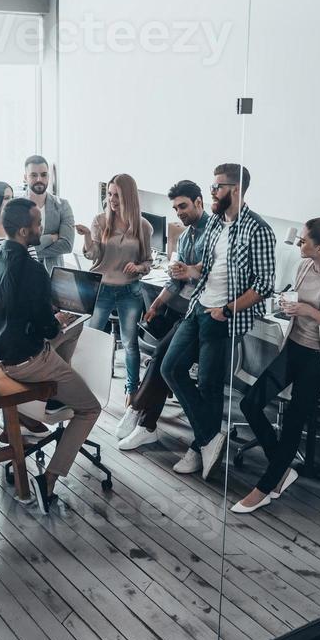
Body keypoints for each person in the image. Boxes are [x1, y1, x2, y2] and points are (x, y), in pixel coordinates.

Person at [0, 198, 101, 514]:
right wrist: (55, 319)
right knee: (90, 408)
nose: (41, 228)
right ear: (23, 231)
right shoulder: (33, 272)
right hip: (30, 362)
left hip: (0, 355)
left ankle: (61, 385)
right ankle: (49, 479)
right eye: (36, 224)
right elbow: (47, 330)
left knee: (73, 327)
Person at [231, 214, 320, 515]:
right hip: (293, 349)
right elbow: (297, 305)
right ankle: (282, 469)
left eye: (304, 240)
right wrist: (290, 309)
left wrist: (309, 312)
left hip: (316, 360)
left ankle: (264, 489)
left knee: (292, 426)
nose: (299, 243)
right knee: (250, 404)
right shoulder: (303, 266)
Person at [161, 164, 276, 480]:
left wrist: (227, 309)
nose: (211, 192)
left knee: (209, 385)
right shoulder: (214, 225)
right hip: (199, 307)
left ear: (235, 190)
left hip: (224, 317)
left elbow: (264, 284)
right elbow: (208, 267)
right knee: (169, 368)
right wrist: (190, 271)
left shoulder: (258, 230)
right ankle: (210, 437)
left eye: (216, 187)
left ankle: (199, 447)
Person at [116, 180, 209, 451]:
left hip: (196, 315)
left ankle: (138, 413)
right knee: (160, 361)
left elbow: (211, 274)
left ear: (199, 202)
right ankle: (146, 424)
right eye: (175, 207)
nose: (178, 212)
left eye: (183, 206)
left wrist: (189, 270)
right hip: (178, 310)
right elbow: (175, 280)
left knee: (161, 358)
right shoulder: (187, 235)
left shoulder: (211, 234)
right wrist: (156, 303)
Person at [76, 174, 152, 401]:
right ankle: (83, 385)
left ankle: (132, 390)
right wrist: (88, 237)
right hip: (102, 289)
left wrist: (138, 267)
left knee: (130, 343)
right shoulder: (100, 221)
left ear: (128, 196)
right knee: (90, 338)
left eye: (117, 195)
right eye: (109, 194)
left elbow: (148, 262)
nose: (112, 199)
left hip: (130, 290)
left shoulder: (143, 226)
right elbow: (93, 255)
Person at [23, 154, 75, 270]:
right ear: (25, 178)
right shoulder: (16, 207)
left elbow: (67, 245)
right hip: (24, 275)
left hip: (54, 276)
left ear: (48, 176)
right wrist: (51, 238)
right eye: (33, 175)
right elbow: (17, 247)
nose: (39, 179)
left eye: (43, 175)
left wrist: (29, 253)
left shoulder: (63, 205)